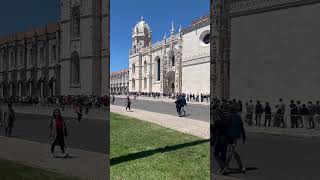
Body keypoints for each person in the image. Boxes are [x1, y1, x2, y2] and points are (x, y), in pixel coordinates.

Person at [225, 104, 246, 173]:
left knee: (231, 152)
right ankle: (241, 166)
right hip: (235, 137)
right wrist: (244, 136)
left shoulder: (228, 116)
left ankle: (226, 167)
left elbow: (225, 126)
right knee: (233, 151)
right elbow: (242, 128)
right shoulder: (238, 117)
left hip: (229, 136)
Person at [212, 108, 230, 175]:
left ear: (218, 114)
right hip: (226, 138)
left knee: (215, 153)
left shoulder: (217, 121)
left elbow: (213, 130)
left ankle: (224, 167)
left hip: (219, 138)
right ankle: (223, 168)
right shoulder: (226, 120)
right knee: (223, 154)